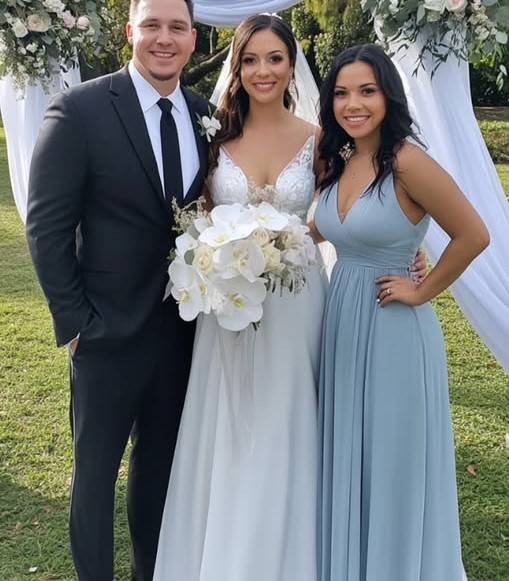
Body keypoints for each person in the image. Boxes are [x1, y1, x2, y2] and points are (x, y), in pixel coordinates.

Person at [25, 0, 211, 578]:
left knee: (160, 474)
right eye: (152, 25)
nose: (164, 38)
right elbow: (46, 227)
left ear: (193, 37)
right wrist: (76, 324)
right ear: (131, 31)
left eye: (176, 27)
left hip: (182, 333)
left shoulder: (207, 115)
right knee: (95, 479)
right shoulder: (79, 109)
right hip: (104, 333)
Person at [152, 14, 328, 581]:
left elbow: (349, 208)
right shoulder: (214, 137)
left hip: (297, 302)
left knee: (287, 418)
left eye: (275, 58)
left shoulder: (318, 139)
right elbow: (199, 214)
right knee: (231, 421)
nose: (262, 70)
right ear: (236, 66)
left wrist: (404, 252)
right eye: (250, 59)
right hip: (227, 302)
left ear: (292, 64)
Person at [313, 44, 489, 581]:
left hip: (392, 327)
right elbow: (322, 229)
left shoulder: (407, 161)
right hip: (343, 323)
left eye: (367, 91)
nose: (353, 104)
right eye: (342, 93)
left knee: (391, 459)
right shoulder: (341, 159)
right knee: (352, 453)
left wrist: (422, 289)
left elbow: (473, 234)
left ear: (388, 95)